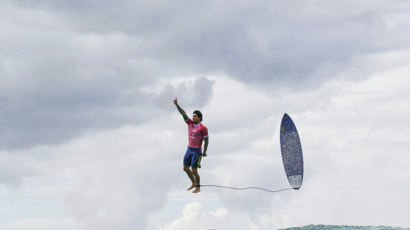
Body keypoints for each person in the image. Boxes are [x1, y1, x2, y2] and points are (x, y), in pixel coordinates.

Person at [173, 97, 209, 193]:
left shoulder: (203, 128)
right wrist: (177, 105)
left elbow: (207, 141)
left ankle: (198, 187)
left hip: (197, 151)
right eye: (193, 116)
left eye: (195, 116)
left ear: (200, 118)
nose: (193, 118)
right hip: (189, 149)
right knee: (185, 168)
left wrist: (204, 152)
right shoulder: (190, 123)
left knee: (194, 170)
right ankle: (193, 183)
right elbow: (183, 113)